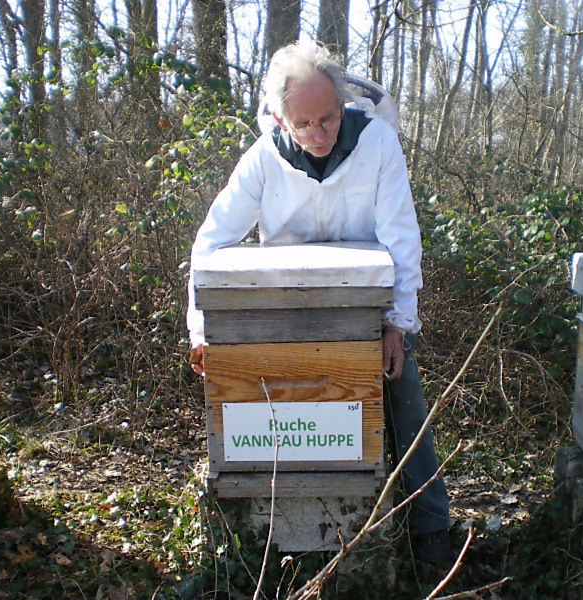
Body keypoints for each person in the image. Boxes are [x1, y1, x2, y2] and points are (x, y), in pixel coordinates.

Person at [186, 42, 451, 563]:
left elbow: (402, 237)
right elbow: (209, 244)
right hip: (281, 316)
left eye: (328, 118)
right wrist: (203, 329)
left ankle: (430, 527)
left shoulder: (377, 142)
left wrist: (396, 324)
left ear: (342, 104)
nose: (319, 133)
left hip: (369, 313)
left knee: (404, 400)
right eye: (303, 123)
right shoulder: (263, 158)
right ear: (280, 120)